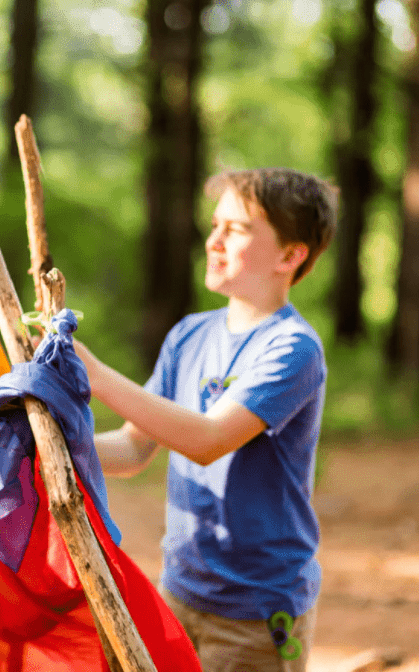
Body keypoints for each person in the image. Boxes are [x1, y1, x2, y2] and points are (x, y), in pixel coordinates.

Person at [73, 167, 336, 672]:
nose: (213, 241)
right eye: (214, 225)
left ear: (290, 255)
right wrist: (50, 441)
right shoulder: (189, 335)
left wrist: (97, 376)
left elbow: (209, 439)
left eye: (235, 229)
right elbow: (132, 450)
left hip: (257, 615)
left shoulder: (292, 349)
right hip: (179, 591)